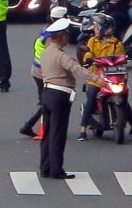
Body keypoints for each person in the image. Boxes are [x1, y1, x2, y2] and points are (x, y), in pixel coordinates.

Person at [39, 18, 105, 179]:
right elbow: (76, 69)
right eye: (66, 35)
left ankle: (45, 167)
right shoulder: (60, 55)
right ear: (61, 37)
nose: (68, 38)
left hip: (47, 93)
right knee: (58, 133)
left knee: (47, 133)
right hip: (59, 95)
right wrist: (96, 79)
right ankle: (57, 170)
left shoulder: (47, 51)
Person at [77, 13, 132, 141]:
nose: (94, 30)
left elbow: (121, 56)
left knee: (124, 100)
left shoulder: (116, 43)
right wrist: (89, 59)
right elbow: (88, 52)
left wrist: (125, 58)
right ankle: (83, 130)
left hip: (114, 75)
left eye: (96, 27)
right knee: (91, 100)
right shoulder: (92, 41)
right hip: (95, 76)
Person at [20, 6, 68, 138]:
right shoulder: (51, 36)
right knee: (48, 101)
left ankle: (34, 126)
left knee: (45, 101)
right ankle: (29, 125)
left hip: (37, 70)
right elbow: (51, 56)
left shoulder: (46, 30)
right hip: (44, 73)